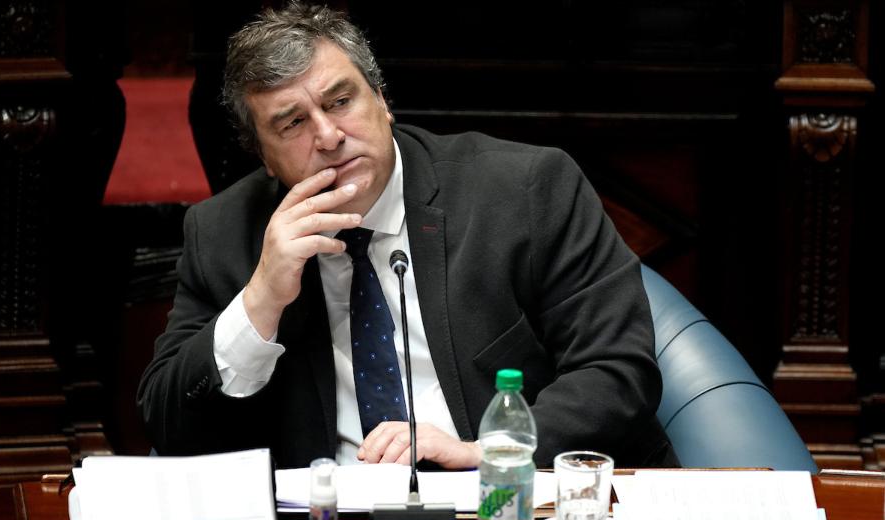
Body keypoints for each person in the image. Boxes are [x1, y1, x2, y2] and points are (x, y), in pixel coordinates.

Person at [137, 3, 679, 470]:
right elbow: (167, 422)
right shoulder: (226, 233)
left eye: (340, 101)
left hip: (510, 496)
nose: (328, 137)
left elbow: (616, 371)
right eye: (292, 124)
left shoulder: (524, 190)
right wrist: (261, 300)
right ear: (264, 158)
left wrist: (488, 450)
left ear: (382, 100)